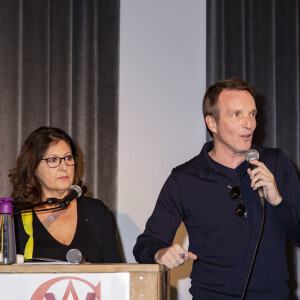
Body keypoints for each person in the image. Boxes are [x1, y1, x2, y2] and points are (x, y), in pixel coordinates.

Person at [133, 78, 300, 299]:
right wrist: (160, 252)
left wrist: (278, 201)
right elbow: (146, 243)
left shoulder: (276, 163)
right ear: (212, 123)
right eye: (236, 115)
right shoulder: (185, 179)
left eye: (252, 114)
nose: (249, 124)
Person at [10, 126, 122, 263]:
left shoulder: (96, 211)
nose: (64, 167)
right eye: (52, 160)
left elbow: (116, 272)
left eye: (68, 158)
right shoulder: (15, 216)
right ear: (32, 167)